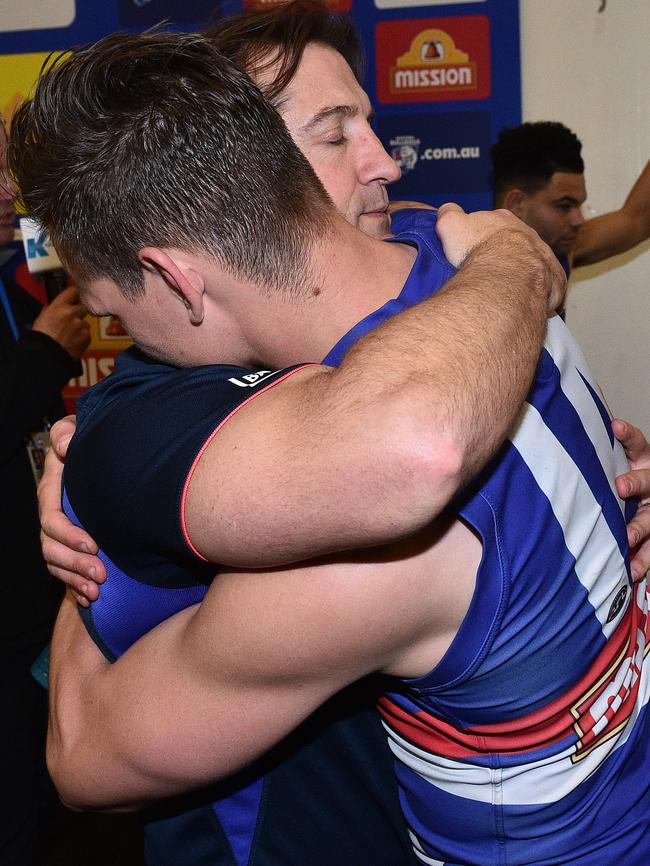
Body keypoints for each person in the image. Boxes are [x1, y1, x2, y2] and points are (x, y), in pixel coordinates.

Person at [11, 26, 650, 866]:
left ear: (174, 277)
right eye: (337, 130)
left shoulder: (362, 548)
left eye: (115, 307)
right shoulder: (469, 259)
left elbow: (84, 754)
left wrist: (91, 538)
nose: (128, 337)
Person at [0, 119, 90, 866]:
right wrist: (39, 359)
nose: (8, 193)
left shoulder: (21, 277)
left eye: (10, 173)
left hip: (39, 595)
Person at [492, 120, 650, 277]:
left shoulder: (559, 250)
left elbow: (638, 218)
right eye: (564, 206)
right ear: (517, 204)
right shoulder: (478, 272)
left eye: (578, 205)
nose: (579, 220)